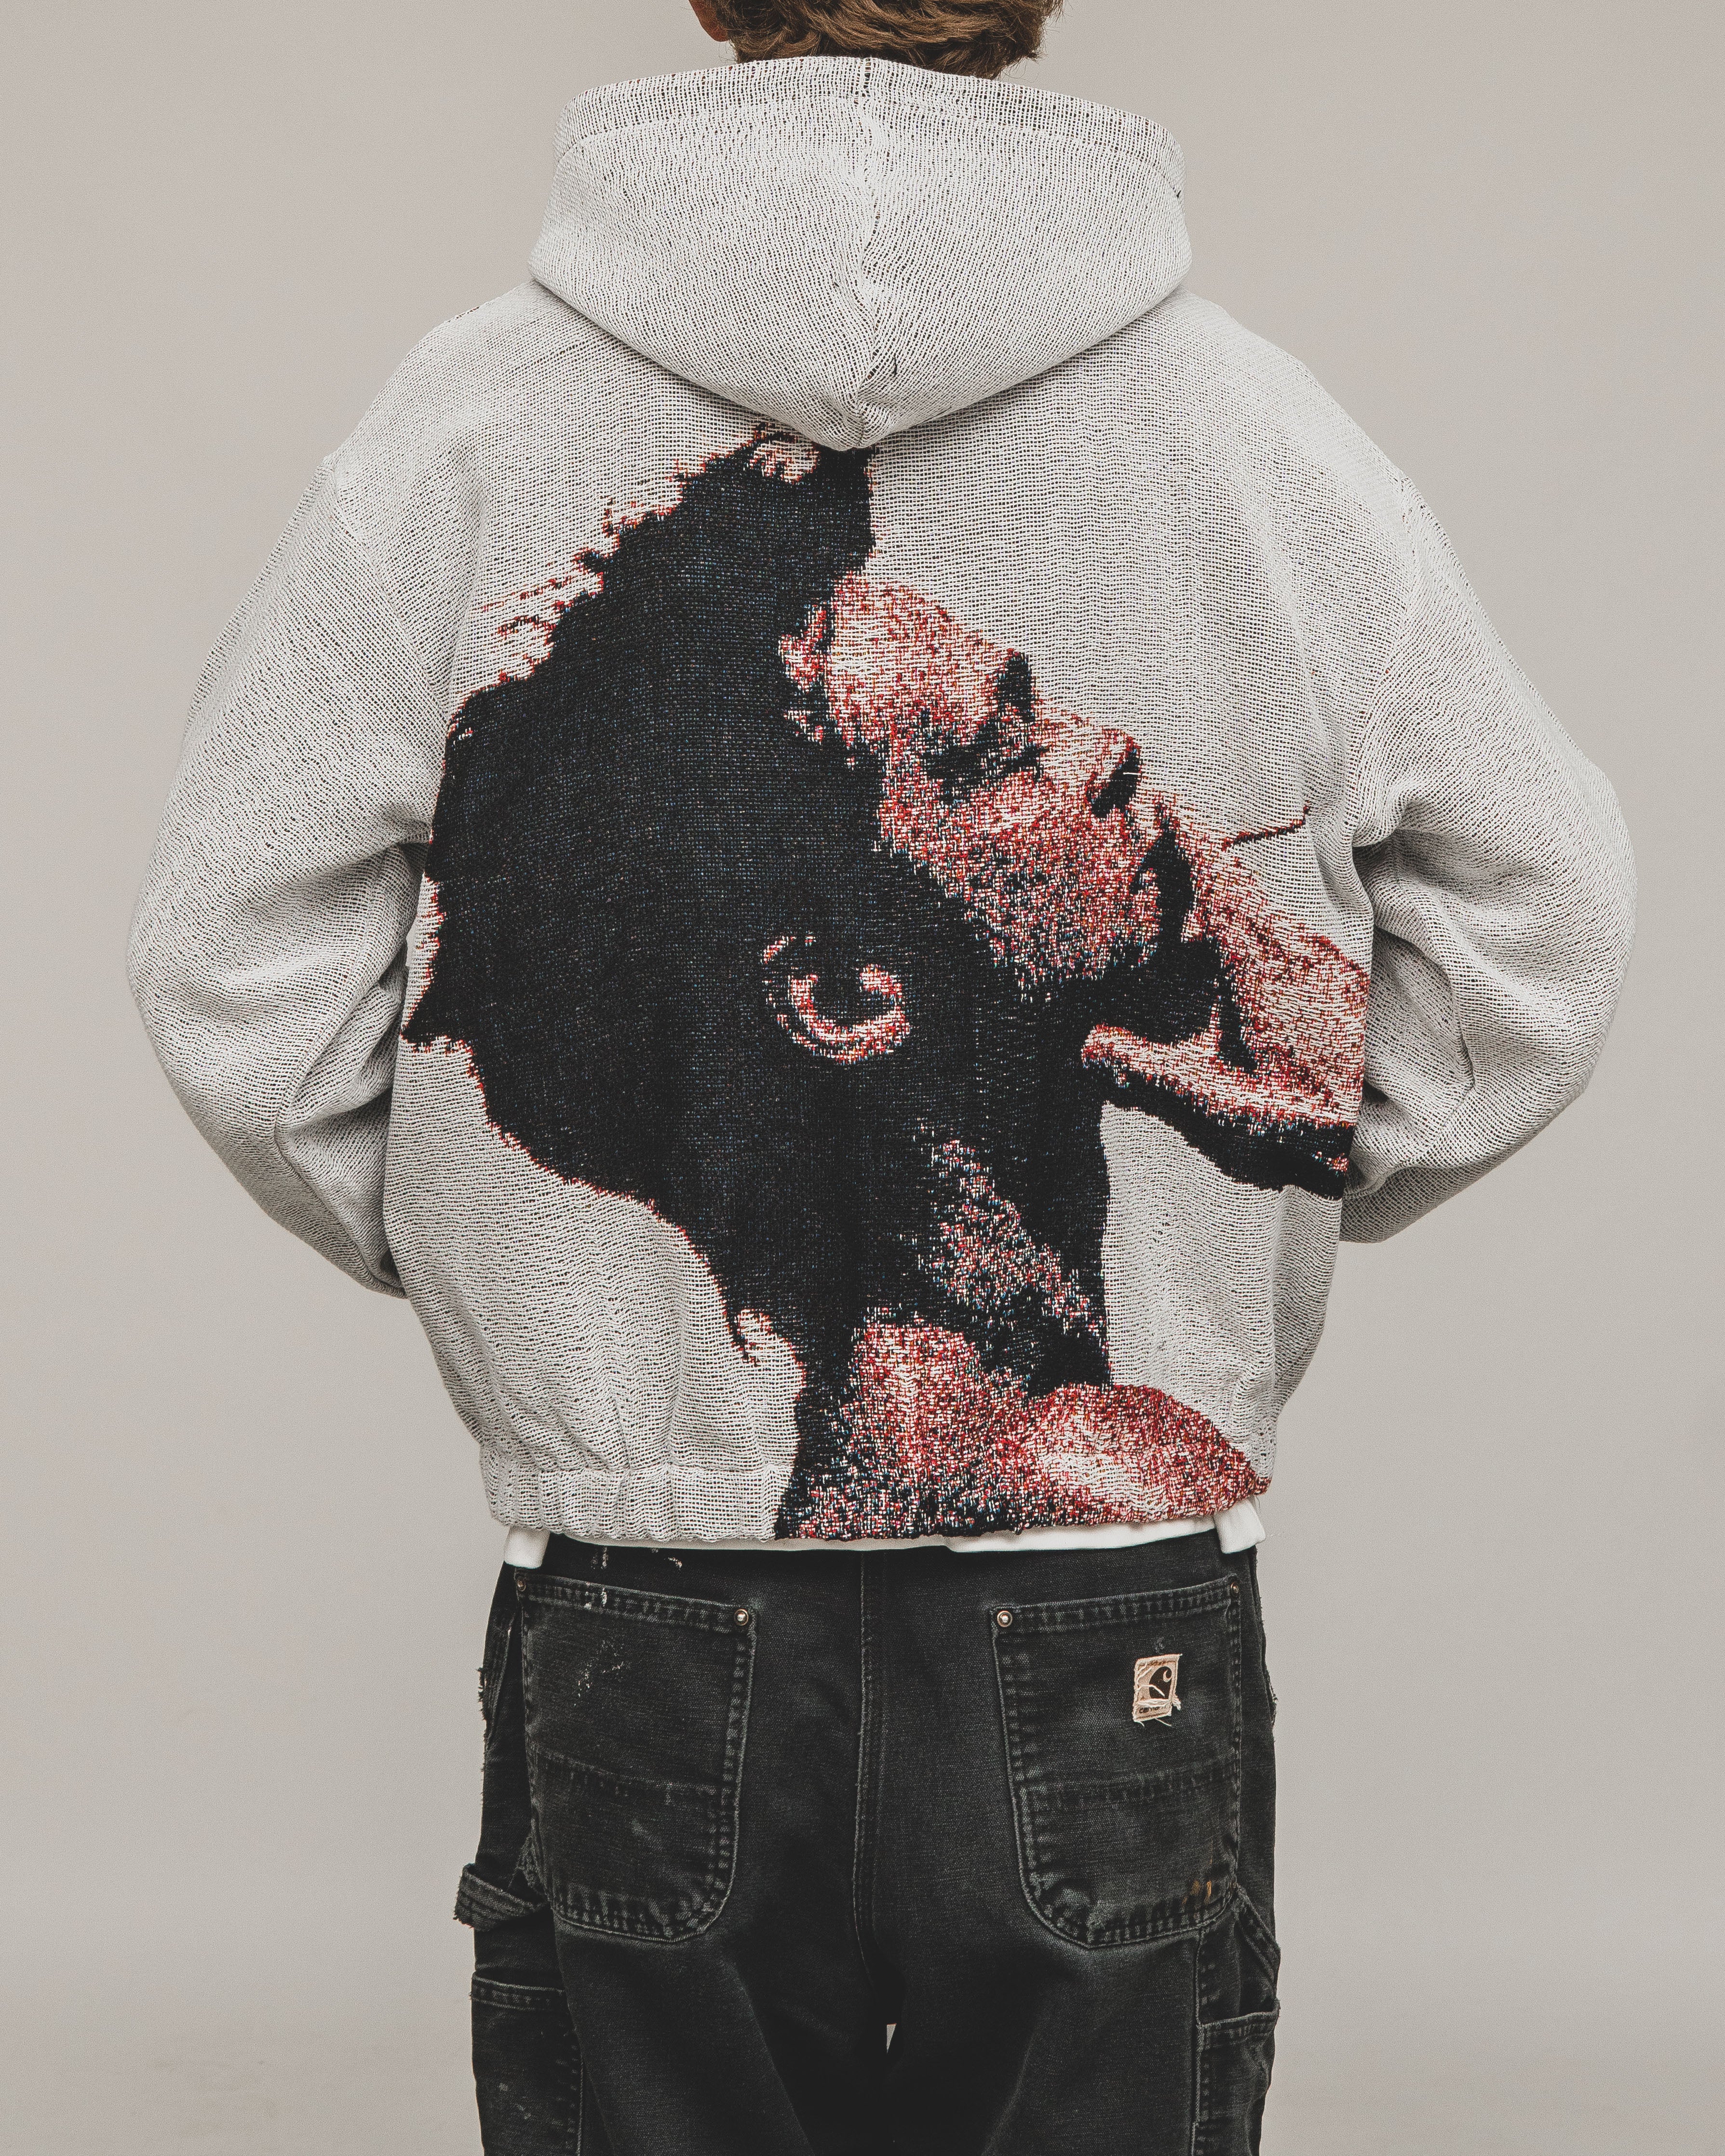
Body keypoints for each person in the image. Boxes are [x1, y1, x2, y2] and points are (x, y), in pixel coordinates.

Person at [127, 1, 1636, 2150]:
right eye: (1009, 737)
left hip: (651, 1615)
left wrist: (508, 1271)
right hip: (1106, 1622)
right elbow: (1539, 927)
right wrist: (1306, 1171)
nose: (1108, 749)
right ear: (845, 992)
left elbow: (231, 964)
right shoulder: (1245, 428)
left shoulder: (455, 430)